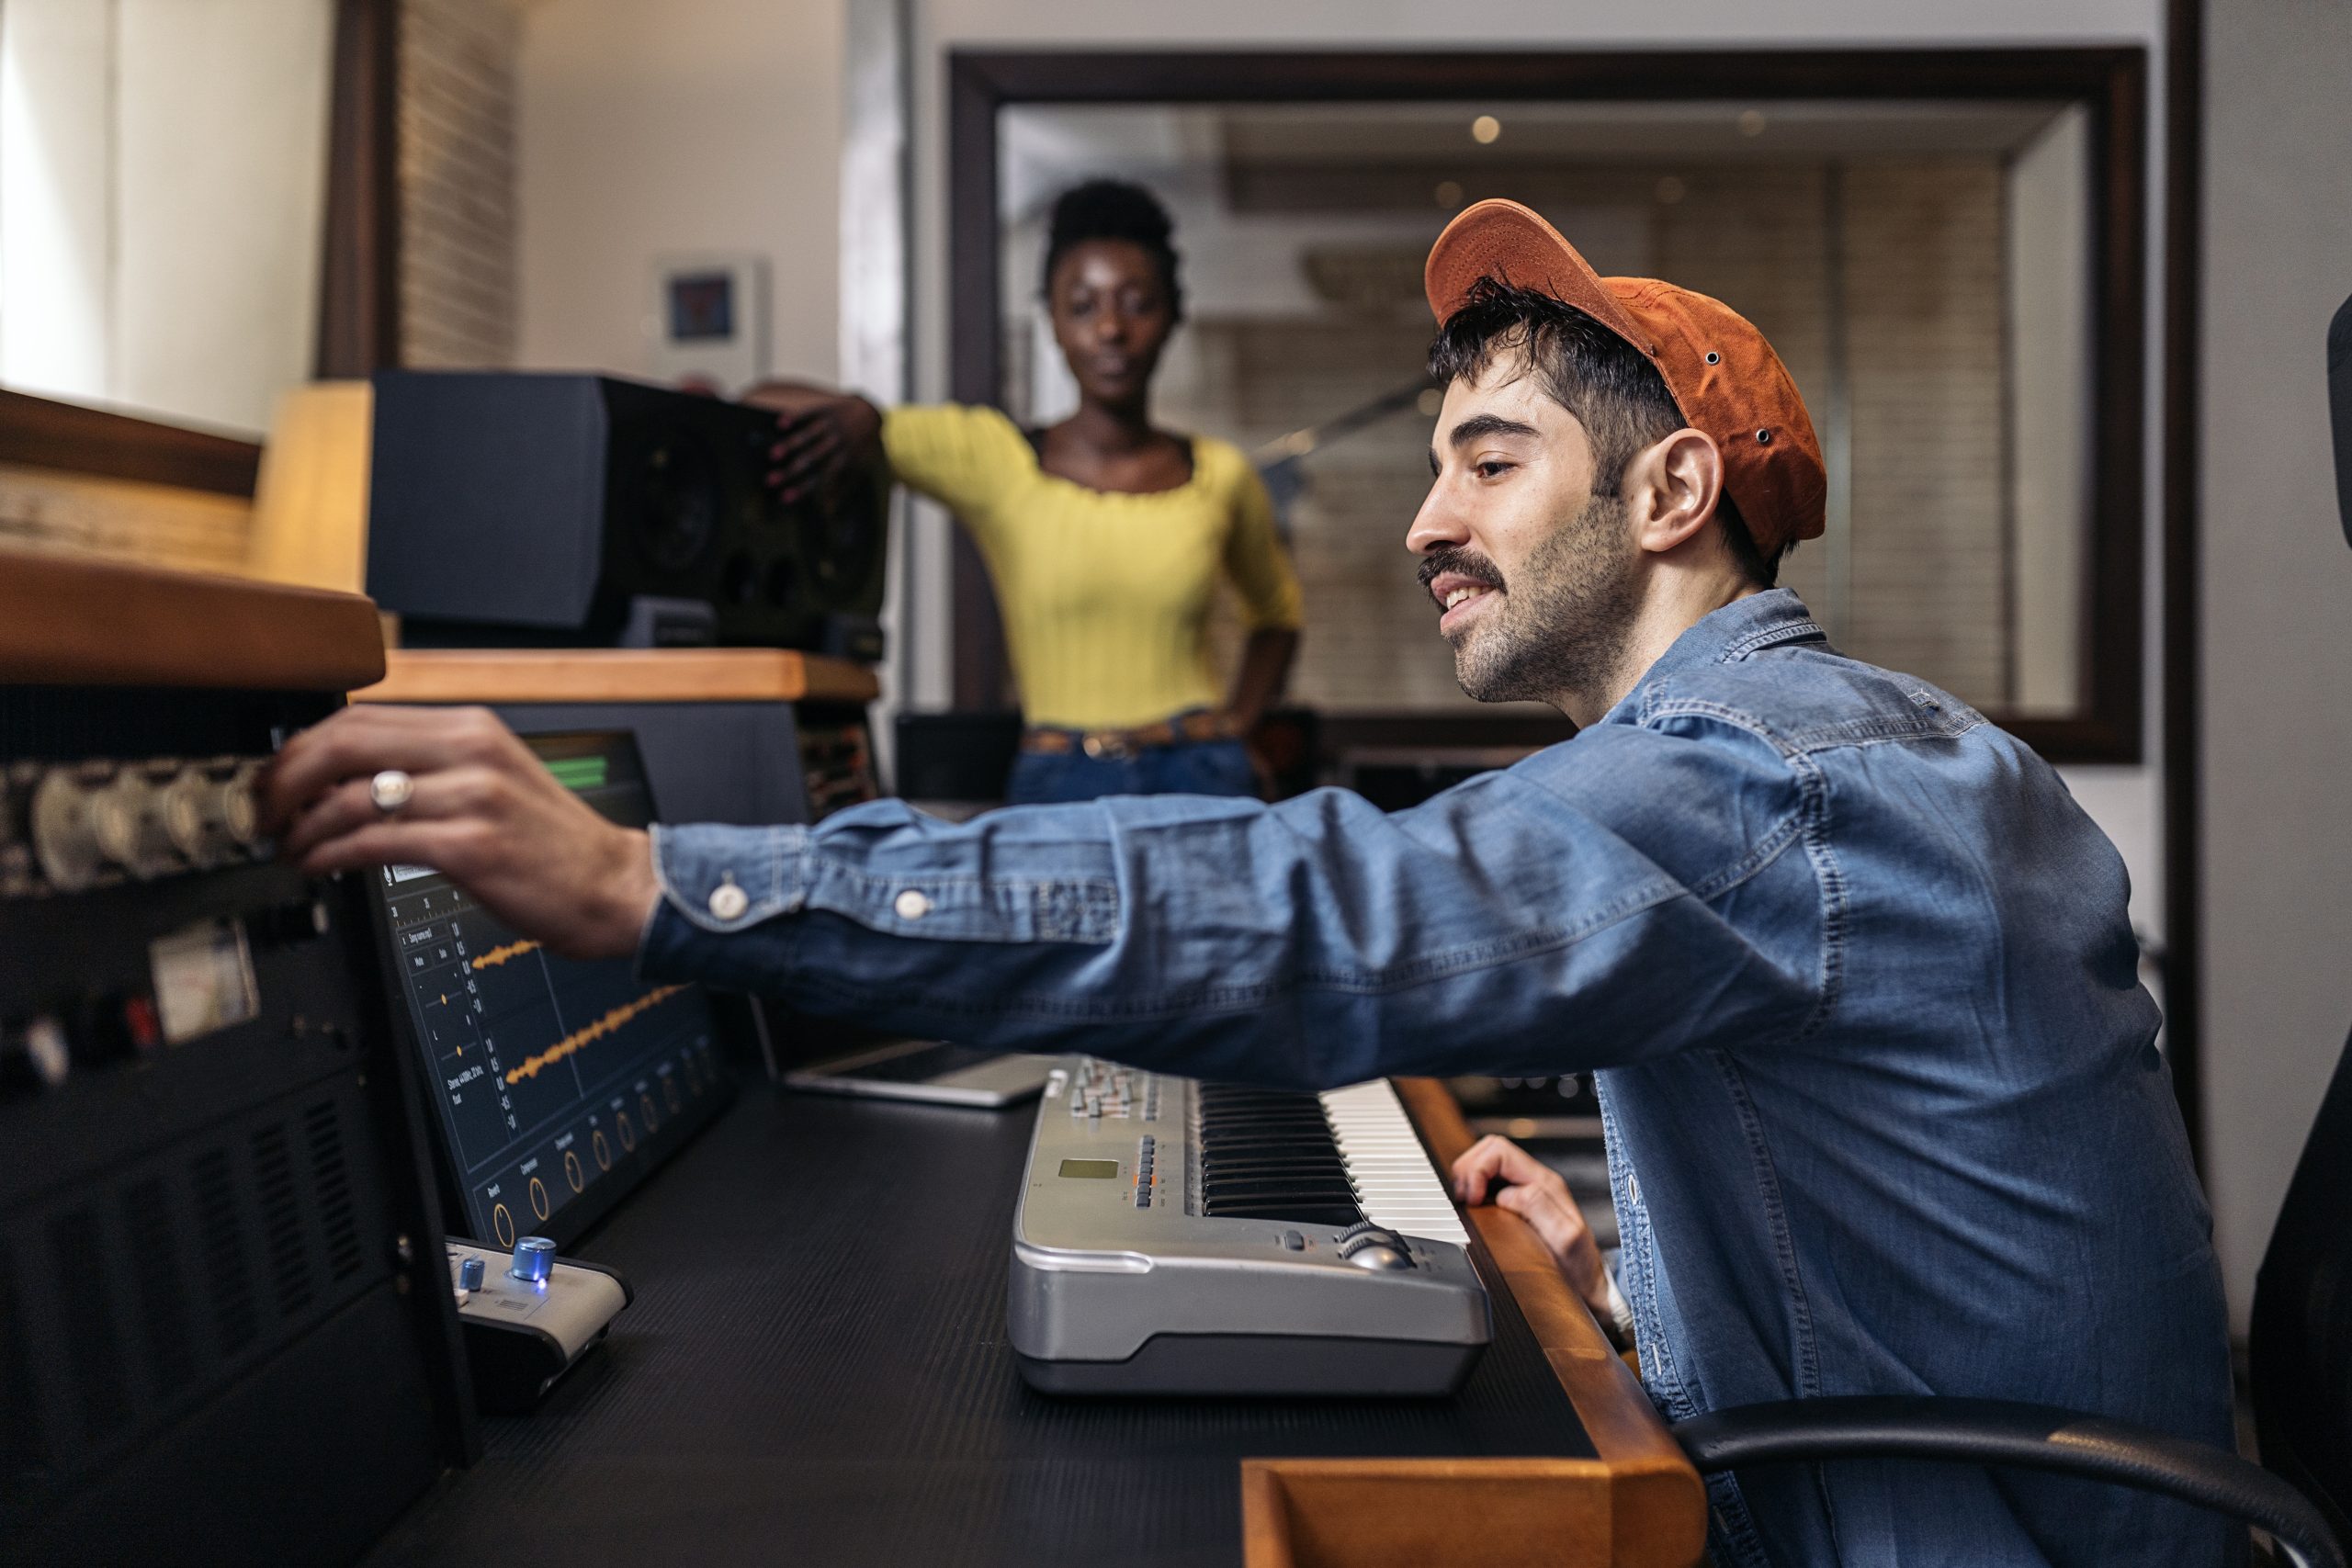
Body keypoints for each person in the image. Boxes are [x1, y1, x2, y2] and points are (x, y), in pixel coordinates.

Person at [264, 199, 2234, 1567]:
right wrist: (1646, 1263)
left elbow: (1314, 913)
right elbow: (1916, 1192)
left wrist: (650, 882)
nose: (1421, 519)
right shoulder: (1862, 754)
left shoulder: (1755, 789)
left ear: (1666, 498)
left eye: (1487, 463)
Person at [749, 179, 1302, 804]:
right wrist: (862, 412)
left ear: (1174, 313)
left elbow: (1277, 617)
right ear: (1053, 321)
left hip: (1202, 774)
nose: (1112, 329)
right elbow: (761, 400)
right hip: (1057, 777)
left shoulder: (1222, 474)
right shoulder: (996, 458)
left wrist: (1235, 726)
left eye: (1137, 302)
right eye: (1083, 305)